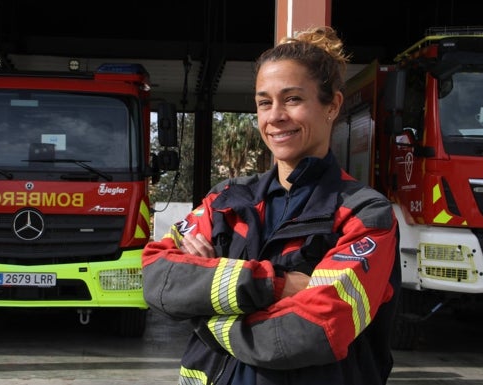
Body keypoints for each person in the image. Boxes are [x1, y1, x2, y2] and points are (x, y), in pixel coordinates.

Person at [142, 25, 401, 385]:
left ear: (333, 105)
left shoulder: (365, 214)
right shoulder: (225, 200)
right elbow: (158, 277)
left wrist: (207, 312)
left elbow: (315, 329)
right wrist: (276, 285)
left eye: (292, 99)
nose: (275, 116)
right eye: (265, 102)